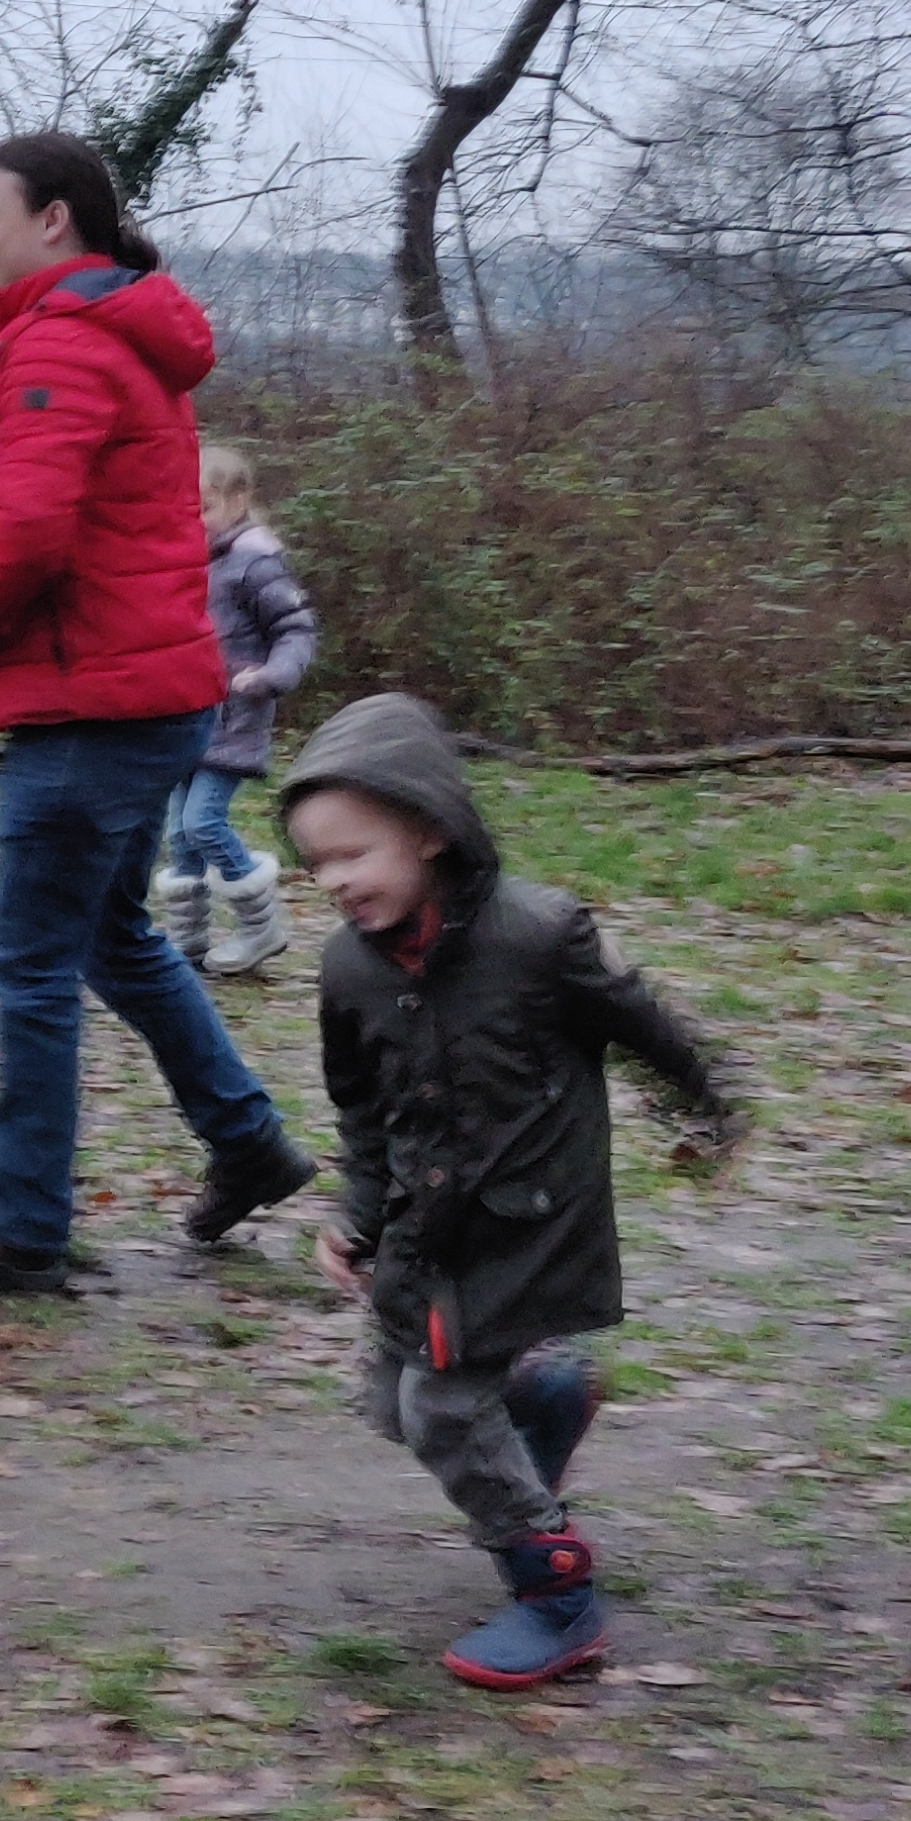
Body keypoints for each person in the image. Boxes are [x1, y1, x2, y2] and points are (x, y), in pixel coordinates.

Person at [0, 130, 322, 1291]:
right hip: (149, 694)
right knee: (111, 939)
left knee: (25, 959)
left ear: (54, 220)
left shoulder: (62, 342)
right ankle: (249, 1142)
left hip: (97, 704)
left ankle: (21, 1222)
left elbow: (30, 530)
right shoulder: (110, 331)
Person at [278, 692, 744, 1689]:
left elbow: (646, 1024)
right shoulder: (349, 968)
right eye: (316, 862)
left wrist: (706, 1104)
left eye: (354, 853)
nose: (334, 880)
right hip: (423, 1229)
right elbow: (362, 1107)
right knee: (392, 1403)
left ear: (431, 830)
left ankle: (557, 1596)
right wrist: (359, 1215)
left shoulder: (538, 934)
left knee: (443, 1412)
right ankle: (545, 1391)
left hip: (528, 1222)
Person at [153, 442, 318, 978]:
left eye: (203, 508)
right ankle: (188, 939)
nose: (193, 520)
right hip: (182, 715)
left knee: (203, 822)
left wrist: (271, 676)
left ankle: (259, 925)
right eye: (184, 509)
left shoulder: (254, 562)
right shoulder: (184, 559)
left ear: (239, 500)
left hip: (233, 719)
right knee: (178, 833)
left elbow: (294, 630)